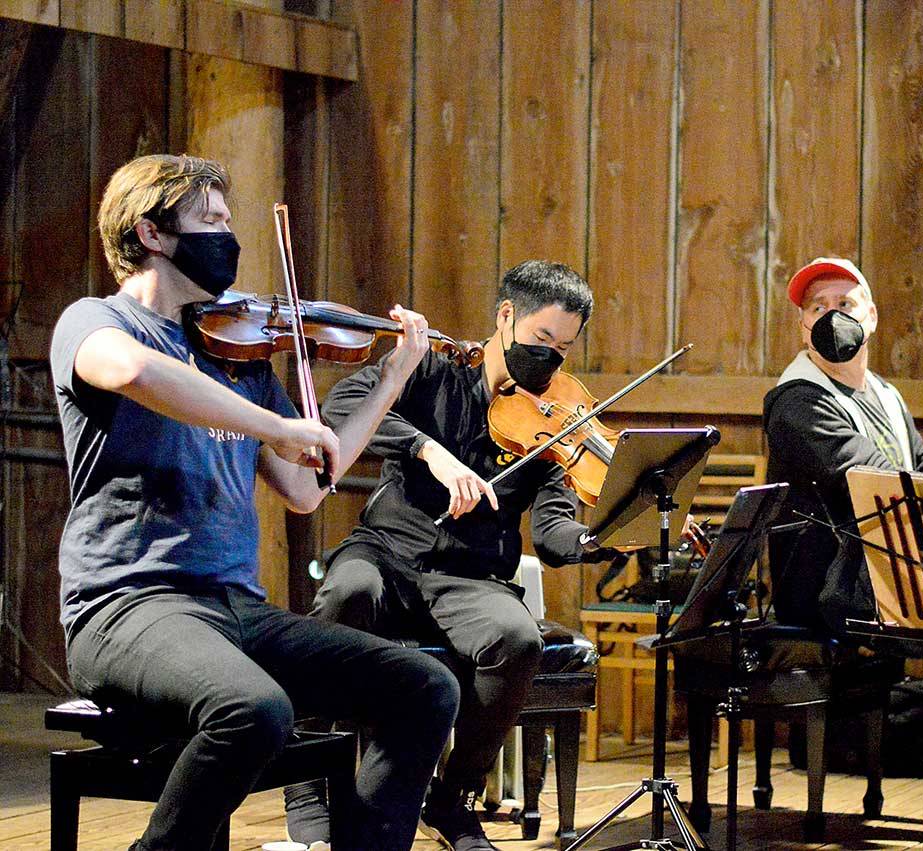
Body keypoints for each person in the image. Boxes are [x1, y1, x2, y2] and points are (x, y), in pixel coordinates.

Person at [52, 153, 460, 851]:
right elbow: (133, 371)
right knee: (255, 709)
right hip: (125, 606)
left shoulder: (235, 357)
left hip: (234, 607)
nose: (228, 237)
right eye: (211, 221)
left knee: (424, 685)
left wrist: (391, 379)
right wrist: (275, 424)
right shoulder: (96, 323)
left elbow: (305, 487)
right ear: (151, 233)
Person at [284, 260, 617, 851]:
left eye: (564, 349)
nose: (550, 360)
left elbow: (553, 532)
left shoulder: (557, 423)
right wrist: (427, 450)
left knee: (518, 638)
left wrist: (601, 537)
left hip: (471, 576)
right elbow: (342, 404)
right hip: (387, 552)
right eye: (542, 339)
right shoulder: (433, 370)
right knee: (346, 593)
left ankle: (453, 798)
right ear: (506, 316)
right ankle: (307, 783)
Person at [763, 256, 923, 632]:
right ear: (803, 328)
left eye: (845, 304)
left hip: (889, 592)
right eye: (818, 307)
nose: (832, 316)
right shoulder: (797, 402)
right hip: (827, 607)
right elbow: (875, 480)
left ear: (871, 317)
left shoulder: (886, 395)